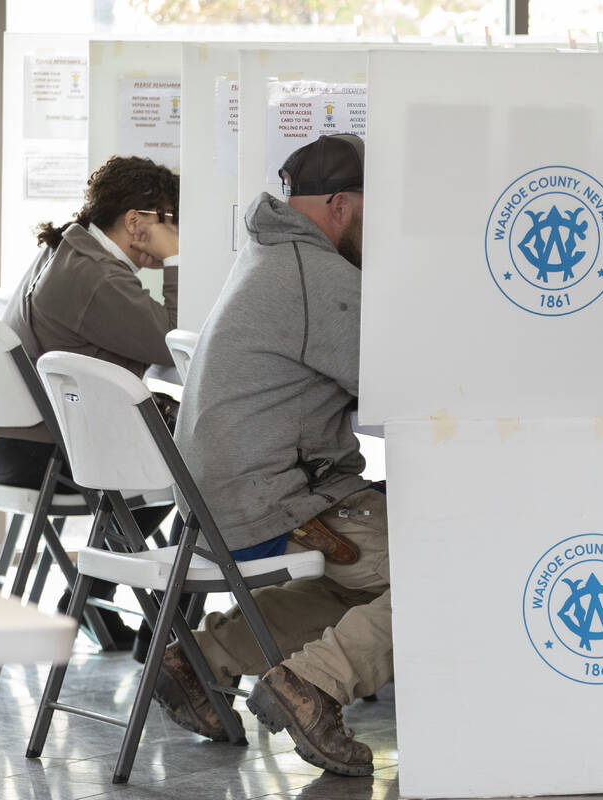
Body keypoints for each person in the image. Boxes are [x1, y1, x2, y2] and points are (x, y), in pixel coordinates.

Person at [152, 134, 388, 777]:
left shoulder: (267, 253)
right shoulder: (321, 277)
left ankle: (201, 659)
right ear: (342, 205)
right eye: (377, 209)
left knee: (358, 589)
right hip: (276, 505)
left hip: (219, 505)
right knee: (447, 568)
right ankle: (312, 684)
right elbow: (400, 393)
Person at [0, 155, 182, 650]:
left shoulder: (68, 248)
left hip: (8, 443)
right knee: (197, 461)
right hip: (39, 452)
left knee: (170, 455)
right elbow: (172, 339)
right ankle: (167, 641)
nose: (175, 235)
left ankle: (93, 601)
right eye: (170, 223)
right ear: (136, 222)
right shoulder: (99, 277)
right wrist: (177, 260)